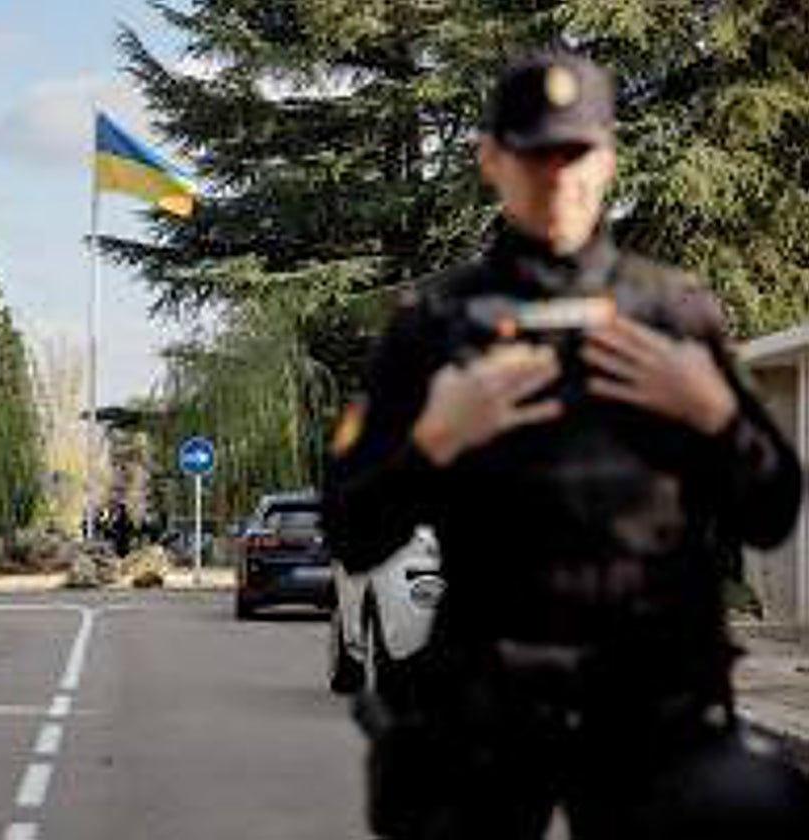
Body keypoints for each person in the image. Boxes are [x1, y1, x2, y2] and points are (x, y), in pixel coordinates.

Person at [323, 50, 808, 839]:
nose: (557, 179)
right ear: (492, 160)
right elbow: (351, 530)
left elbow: (772, 513)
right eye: (535, 155)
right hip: (491, 695)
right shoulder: (434, 326)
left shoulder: (673, 315)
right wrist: (434, 441)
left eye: (575, 154)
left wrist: (716, 412)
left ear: (607, 159)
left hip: (653, 697)